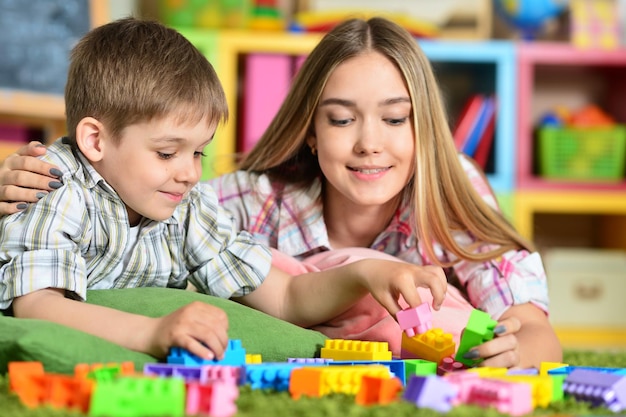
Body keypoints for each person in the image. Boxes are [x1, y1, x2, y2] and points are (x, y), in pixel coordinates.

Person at [0, 17, 561, 368]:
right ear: (310, 132)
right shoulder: (244, 197)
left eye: (396, 119)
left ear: (426, 127)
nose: (370, 144)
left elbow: (536, 331)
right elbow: (127, 178)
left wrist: (369, 275)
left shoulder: (449, 184)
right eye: (341, 120)